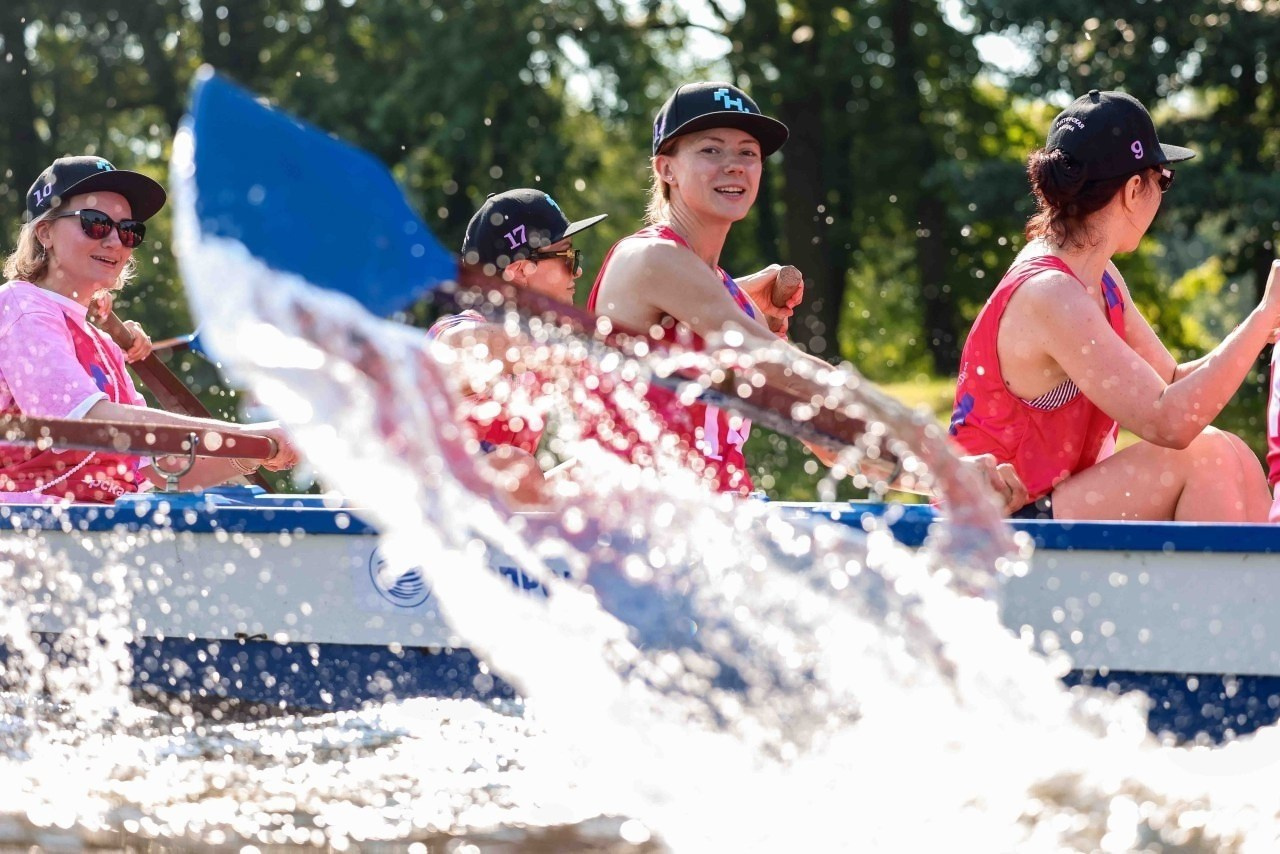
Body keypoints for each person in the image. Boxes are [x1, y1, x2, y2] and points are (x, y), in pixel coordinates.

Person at [587, 81, 1027, 509]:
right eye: (711, 149)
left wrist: (946, 481)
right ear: (666, 168)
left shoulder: (723, 297)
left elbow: (829, 437)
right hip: (641, 532)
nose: (734, 164)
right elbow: (779, 366)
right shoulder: (650, 256)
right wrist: (932, 446)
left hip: (713, 528)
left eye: (748, 153)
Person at [950, 90, 1277, 522]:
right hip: (988, 525)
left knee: (1233, 452)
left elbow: (1170, 381)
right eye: (1164, 179)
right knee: (1206, 455)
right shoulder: (1051, 294)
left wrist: (1261, 331)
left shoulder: (1096, 275)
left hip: (1032, 514)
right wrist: (1261, 319)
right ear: (1135, 188)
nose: (1163, 195)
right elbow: (1170, 423)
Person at [0, 155, 299, 503]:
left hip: (96, 532)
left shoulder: (104, 344)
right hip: (27, 533)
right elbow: (90, 424)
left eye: (129, 230)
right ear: (45, 232)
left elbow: (160, 465)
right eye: (95, 224)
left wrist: (254, 450)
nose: (115, 241)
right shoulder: (19, 309)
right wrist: (240, 434)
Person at [429, 188, 606, 502]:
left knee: (604, 471)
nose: (577, 270)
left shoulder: (534, 354)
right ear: (520, 270)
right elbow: (462, 349)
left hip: (483, 521)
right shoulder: (459, 334)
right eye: (567, 257)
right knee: (515, 467)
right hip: (424, 518)